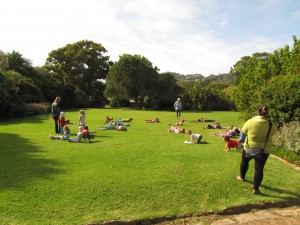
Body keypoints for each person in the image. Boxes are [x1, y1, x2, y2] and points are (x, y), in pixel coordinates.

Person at [235, 106, 276, 194]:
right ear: (267, 113)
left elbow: (244, 131)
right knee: (259, 169)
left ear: (257, 112)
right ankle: (255, 189)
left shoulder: (250, 122)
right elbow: (274, 132)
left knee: (244, 162)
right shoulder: (271, 124)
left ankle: (242, 177)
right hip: (264, 150)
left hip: (249, 148)